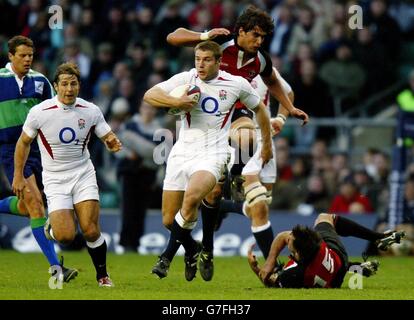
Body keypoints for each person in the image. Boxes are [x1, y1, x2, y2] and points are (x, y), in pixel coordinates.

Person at [165, 4, 308, 279]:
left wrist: (288, 108)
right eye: (255, 35)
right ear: (240, 31)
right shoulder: (221, 42)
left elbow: (274, 82)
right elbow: (173, 37)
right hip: (199, 123)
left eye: (263, 37)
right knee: (176, 216)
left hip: (232, 117)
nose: (259, 41)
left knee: (245, 139)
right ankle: (202, 246)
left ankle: (235, 177)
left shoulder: (260, 60)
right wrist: (203, 35)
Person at [143, 40, 273, 281]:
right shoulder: (187, 79)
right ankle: (193, 250)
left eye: (206, 60)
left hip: (212, 153)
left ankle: (165, 258)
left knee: (192, 197)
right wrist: (177, 102)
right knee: (168, 219)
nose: (200, 65)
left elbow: (261, 111)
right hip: (181, 152)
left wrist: (266, 144)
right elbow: (150, 95)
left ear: (218, 61)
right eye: (197, 60)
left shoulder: (235, 84)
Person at [12, 62, 122, 287]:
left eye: (73, 84)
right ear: (56, 86)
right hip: (54, 178)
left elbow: (106, 134)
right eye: (64, 84)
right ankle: (52, 227)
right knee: (65, 236)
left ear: (79, 86)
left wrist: (112, 142)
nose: (69, 89)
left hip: (83, 174)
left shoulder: (91, 110)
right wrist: (17, 175)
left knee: (91, 230)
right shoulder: (39, 112)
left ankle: (102, 276)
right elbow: (23, 143)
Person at [0, 35, 77, 282]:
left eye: (30, 55)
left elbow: (54, 114)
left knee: (28, 206)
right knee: (36, 206)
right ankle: (57, 270)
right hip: (11, 149)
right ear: (10, 56)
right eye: (21, 55)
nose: (27, 59)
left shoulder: (41, 82)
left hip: (39, 150)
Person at [248, 213, 406, 288]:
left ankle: (355, 267)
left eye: (291, 245)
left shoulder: (294, 274)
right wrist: (270, 262)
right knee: (326, 217)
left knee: (280, 272)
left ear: (299, 254)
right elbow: (284, 236)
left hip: (335, 278)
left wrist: (257, 269)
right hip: (337, 256)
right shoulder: (315, 245)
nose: (287, 242)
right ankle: (377, 238)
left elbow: (270, 282)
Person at [116, 100, 161, 252]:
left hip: (147, 173)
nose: (148, 111)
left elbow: (158, 154)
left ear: (155, 111)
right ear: (141, 109)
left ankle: (135, 243)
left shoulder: (158, 129)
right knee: (128, 208)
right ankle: (126, 243)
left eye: (151, 108)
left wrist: (135, 146)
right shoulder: (130, 124)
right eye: (146, 108)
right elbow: (117, 145)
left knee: (141, 210)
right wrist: (135, 151)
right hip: (129, 171)